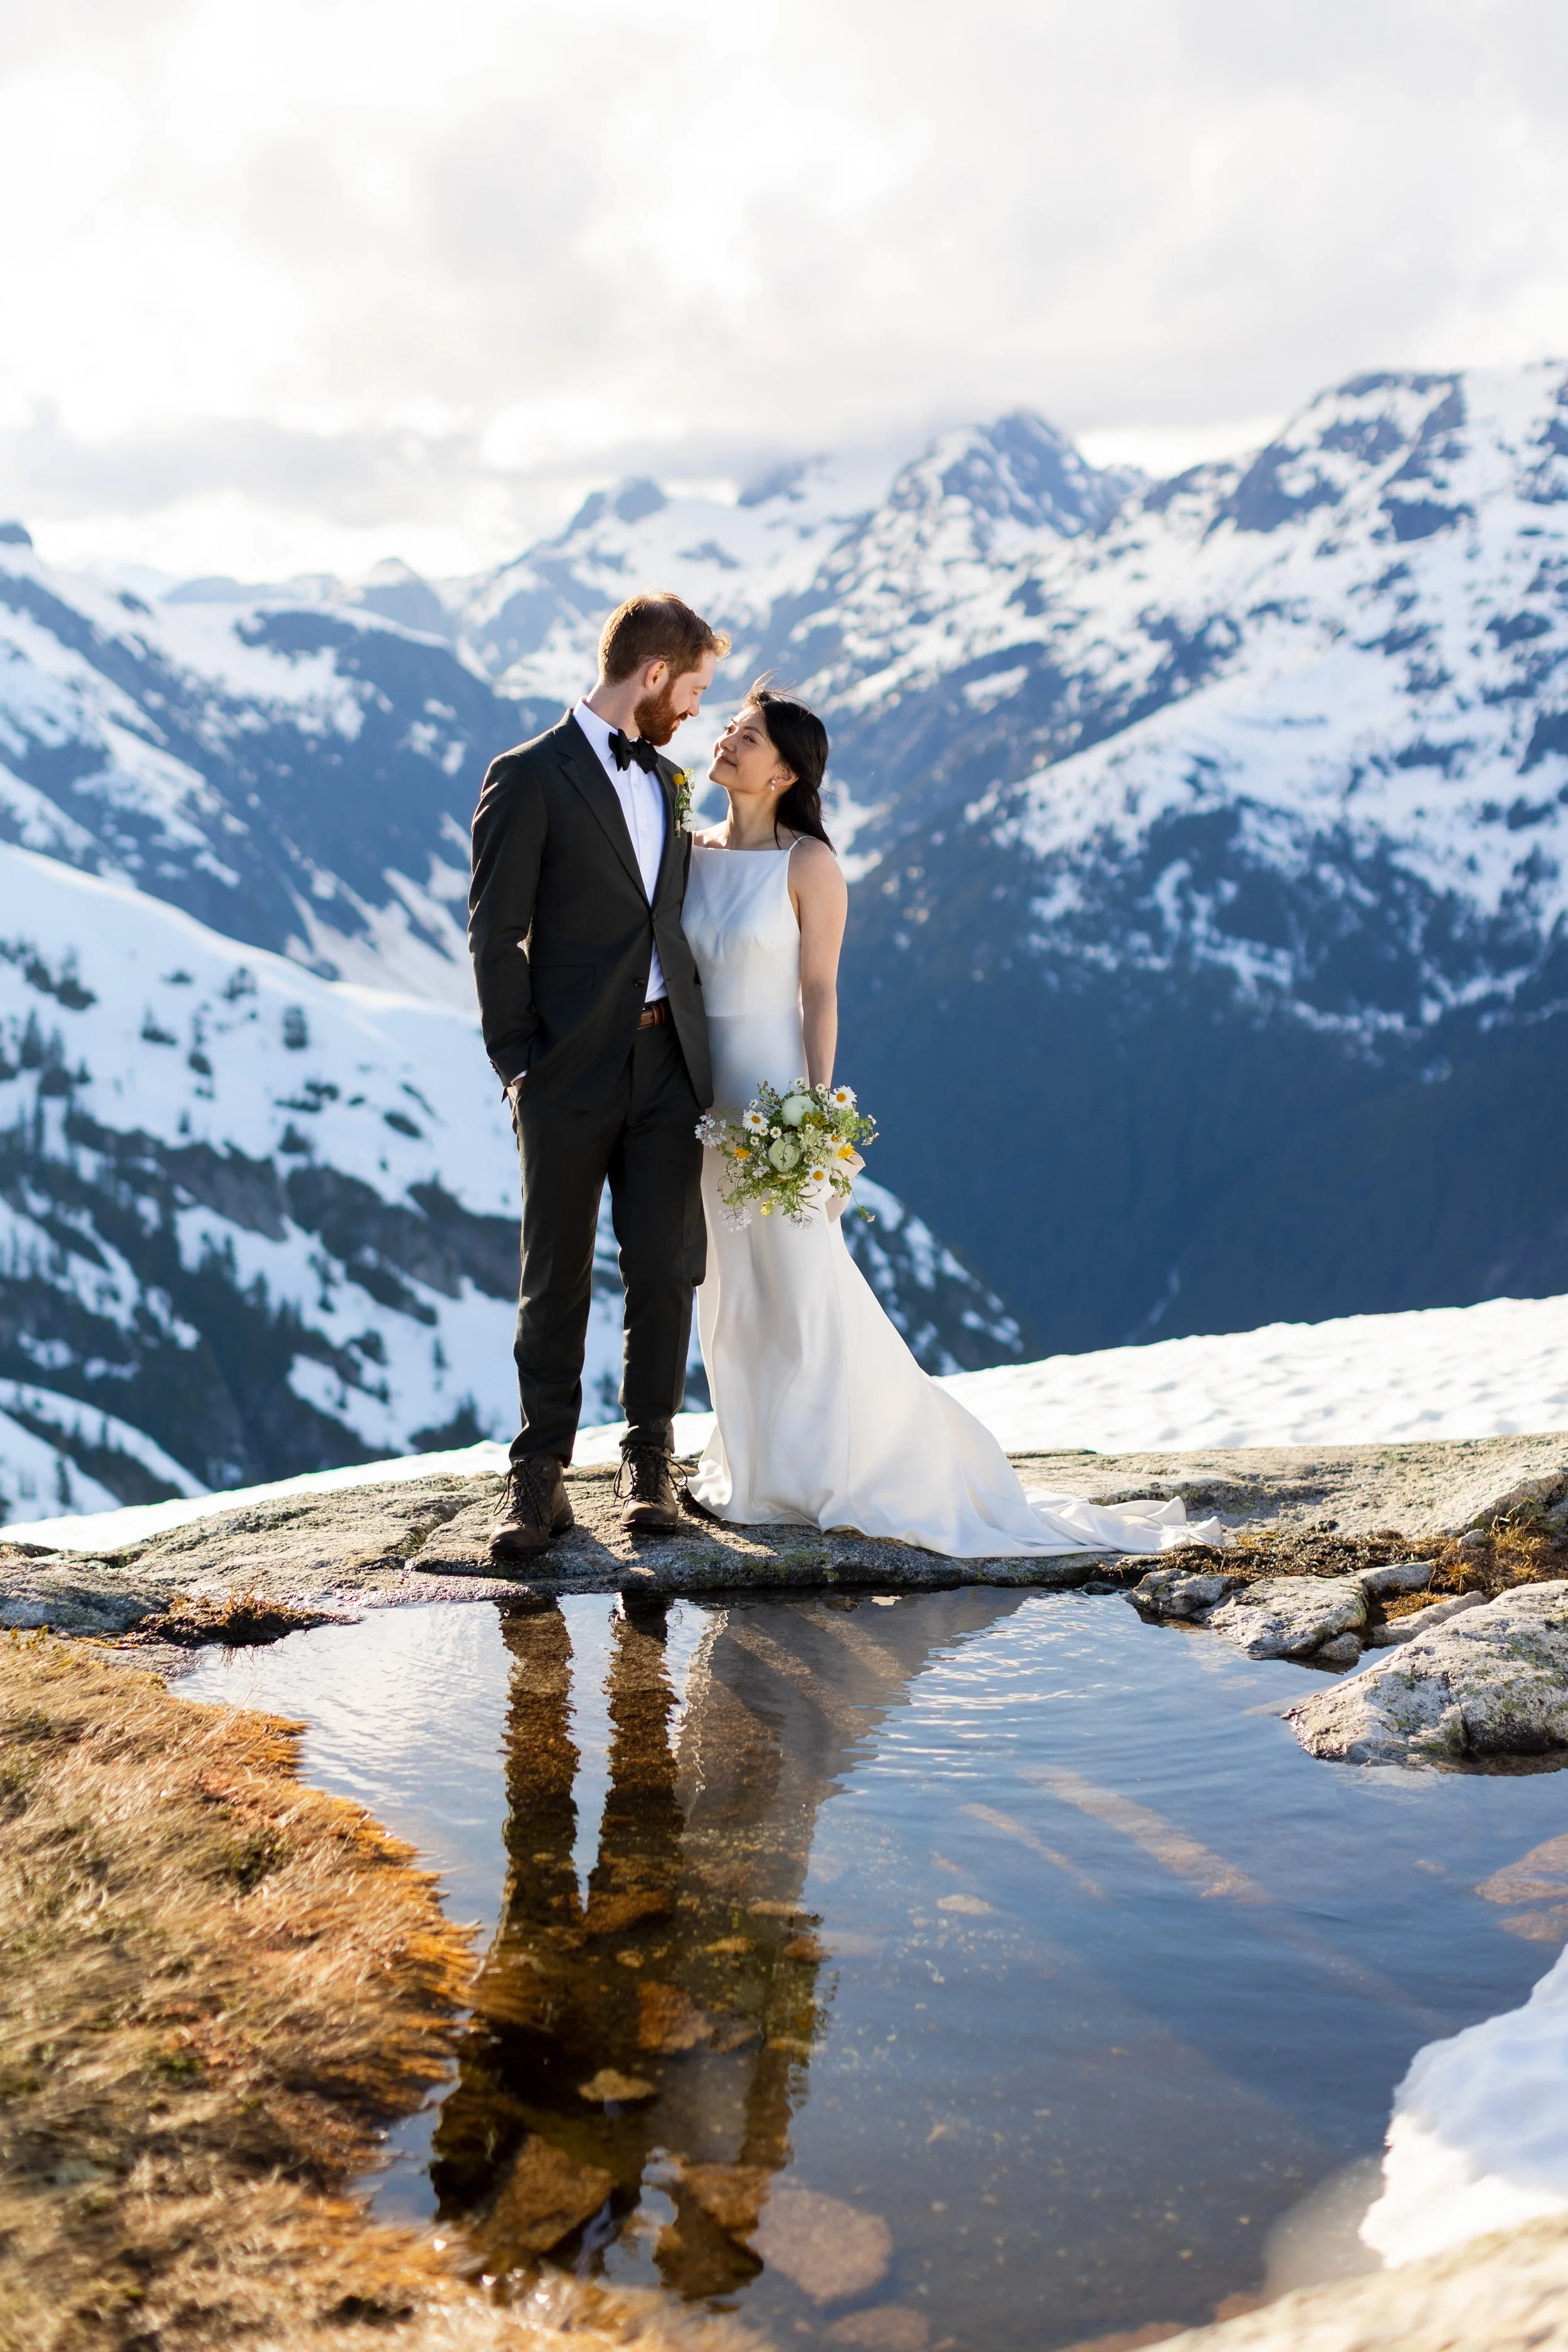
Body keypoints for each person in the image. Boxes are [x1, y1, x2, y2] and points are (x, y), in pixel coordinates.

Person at [681, 681, 1225, 1557]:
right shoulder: (692, 852)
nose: (727, 741)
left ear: (785, 773)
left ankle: (840, 1464)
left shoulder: (809, 864)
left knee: (802, 1282)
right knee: (728, 1285)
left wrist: (816, 1117)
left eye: (747, 736)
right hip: (704, 1098)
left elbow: (819, 993)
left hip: (775, 1095)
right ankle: (753, 1465)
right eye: (731, 727)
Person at [469, 591, 728, 1559]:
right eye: (693, 690)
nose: (697, 711)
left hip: (668, 1060)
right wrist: (519, 1064)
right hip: (564, 1067)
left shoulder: (668, 782)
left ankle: (650, 1457)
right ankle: (538, 1475)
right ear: (653, 676)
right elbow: (494, 931)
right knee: (556, 1273)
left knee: (665, 1262)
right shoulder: (525, 775)